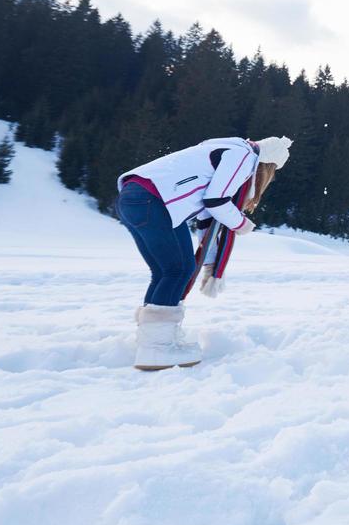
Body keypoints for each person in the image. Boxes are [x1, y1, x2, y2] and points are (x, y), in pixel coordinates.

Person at [117, 136, 293, 370]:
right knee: (177, 270)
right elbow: (216, 201)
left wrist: (210, 264)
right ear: (267, 166)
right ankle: (156, 348)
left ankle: (153, 339)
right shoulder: (244, 156)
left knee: (165, 271)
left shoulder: (222, 148)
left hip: (133, 197)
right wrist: (241, 224)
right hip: (153, 201)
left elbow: (205, 221)